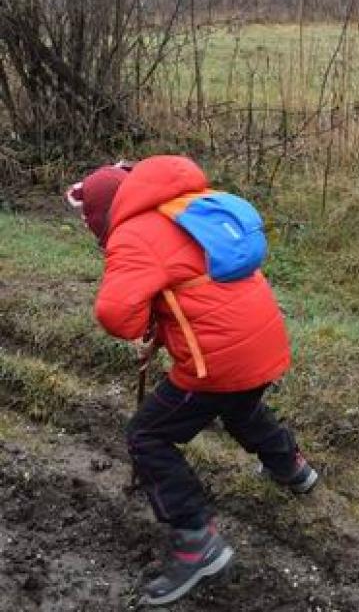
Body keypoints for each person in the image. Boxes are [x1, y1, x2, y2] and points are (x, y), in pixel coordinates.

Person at [65, 154, 317, 606]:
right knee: (242, 408)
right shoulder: (186, 204)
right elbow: (195, 286)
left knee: (147, 436)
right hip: (263, 340)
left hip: (217, 363)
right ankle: (293, 469)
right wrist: (162, 326)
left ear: (103, 217)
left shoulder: (133, 235)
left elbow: (115, 315)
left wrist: (144, 320)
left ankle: (195, 539)